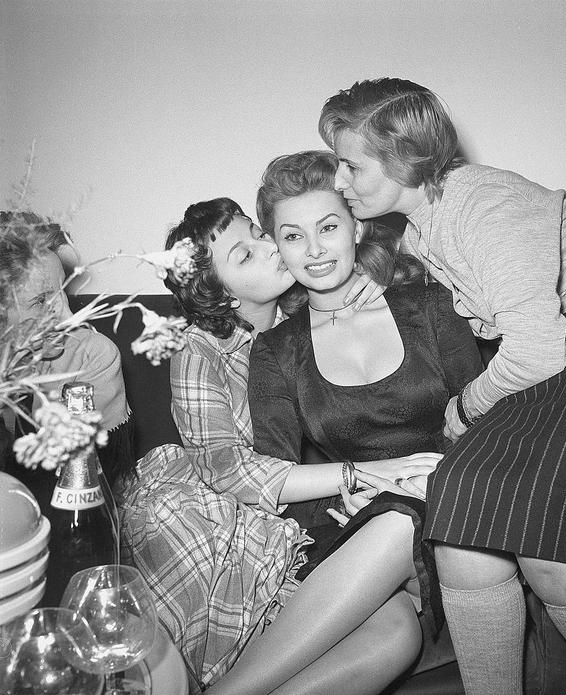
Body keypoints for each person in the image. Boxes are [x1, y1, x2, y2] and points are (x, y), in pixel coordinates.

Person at [318, 76, 566, 695]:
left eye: (349, 165)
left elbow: (533, 347)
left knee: (556, 550)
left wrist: (467, 404)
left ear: (401, 156)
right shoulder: (421, 228)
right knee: (457, 507)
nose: (339, 182)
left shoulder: (483, 202)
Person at [120, 196, 450, 695]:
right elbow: (229, 473)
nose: (269, 245)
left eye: (257, 231)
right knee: (395, 625)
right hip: (228, 524)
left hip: (323, 509)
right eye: (244, 254)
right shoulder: (199, 349)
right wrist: (361, 475)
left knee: (399, 636)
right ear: (224, 296)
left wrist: (370, 287)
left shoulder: (315, 305)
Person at [246, 149, 484, 676]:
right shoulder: (276, 350)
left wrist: (436, 476)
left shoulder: (427, 302)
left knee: (403, 515)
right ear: (277, 248)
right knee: (394, 638)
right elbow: (273, 474)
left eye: (328, 227)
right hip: (354, 525)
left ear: (357, 227)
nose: (313, 250)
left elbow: (486, 416)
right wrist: (346, 487)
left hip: (454, 509)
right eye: (292, 236)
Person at [0, 211, 134, 498]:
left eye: (63, 292)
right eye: (40, 301)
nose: (69, 316)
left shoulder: (93, 355)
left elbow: (86, 484)